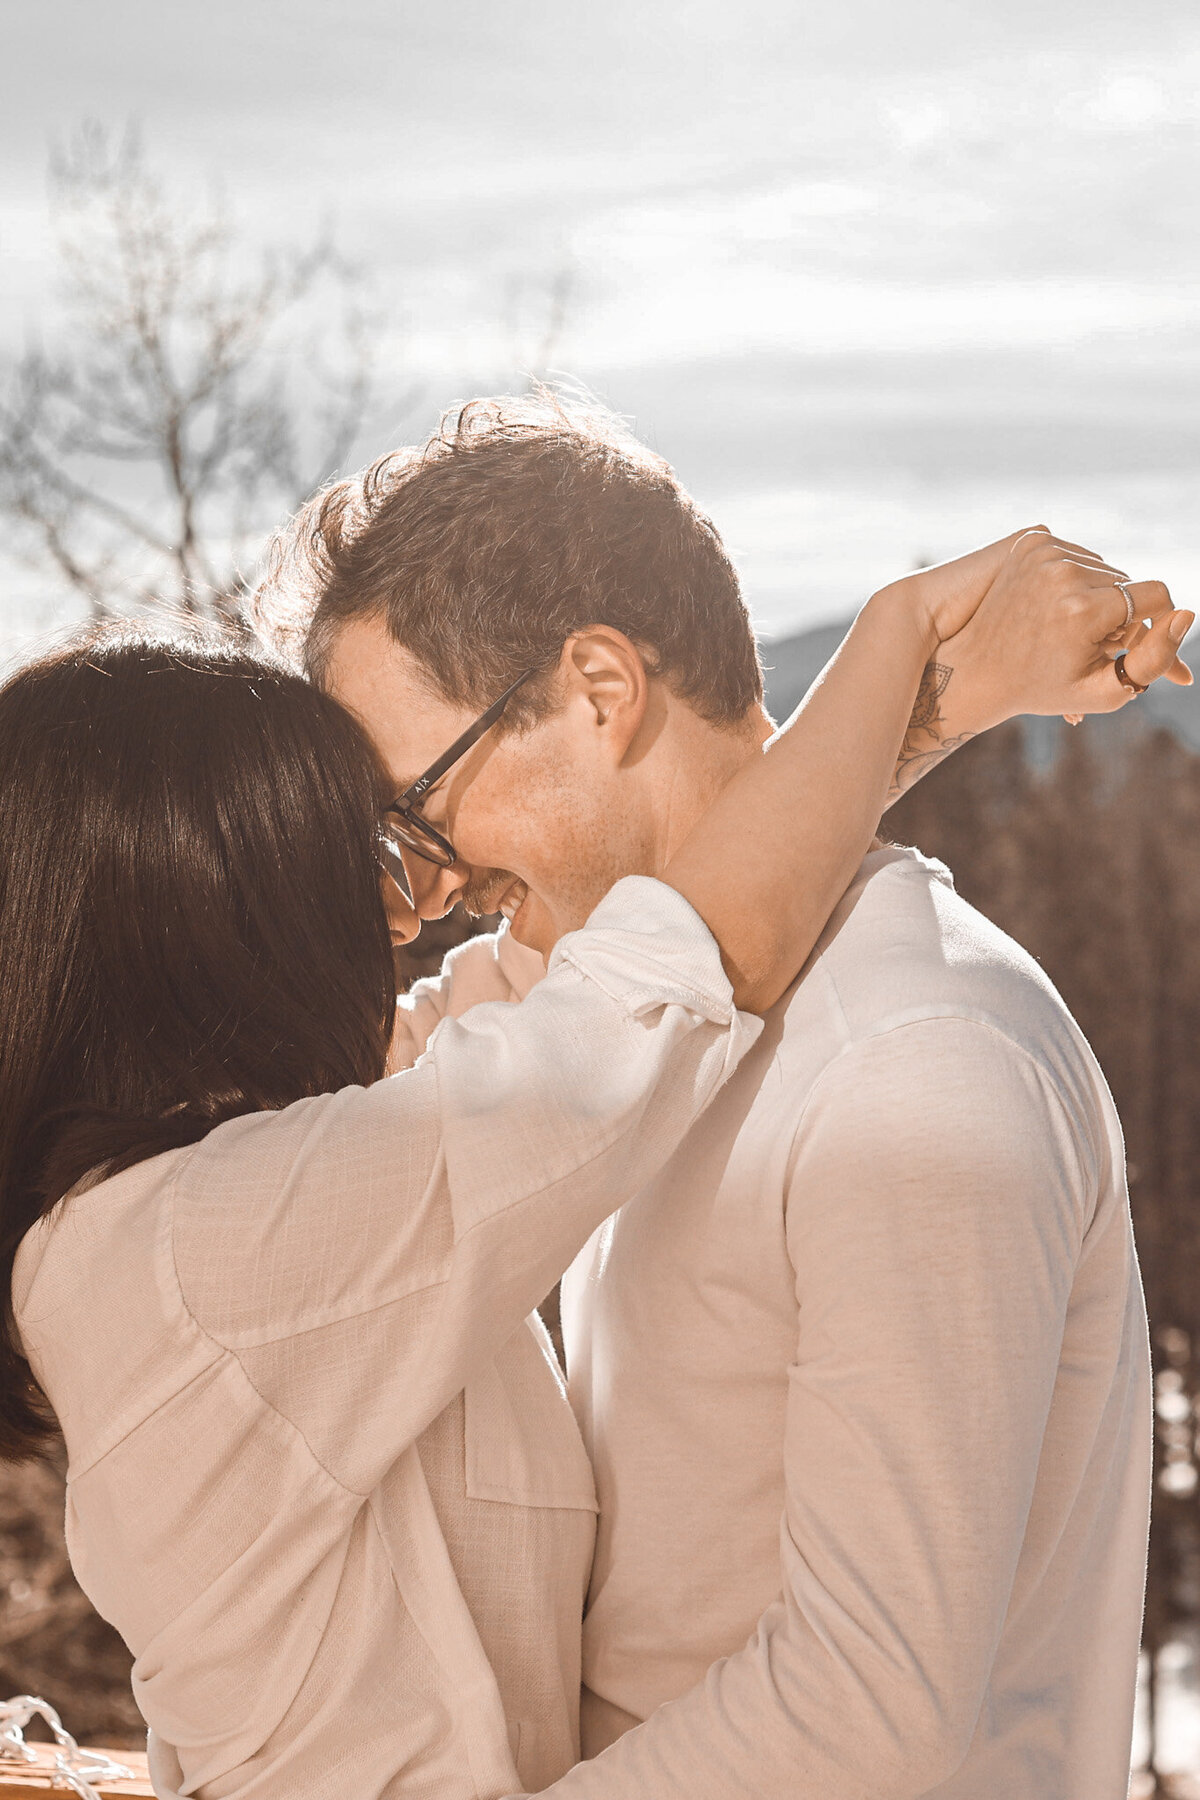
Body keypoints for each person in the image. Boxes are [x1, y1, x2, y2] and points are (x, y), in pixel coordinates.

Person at [0, 549, 1087, 1800]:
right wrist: (898, 641)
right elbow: (669, 978)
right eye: (356, 859)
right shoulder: (211, 1244)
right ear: (215, 909)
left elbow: (619, 950)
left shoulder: (221, 1178)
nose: (416, 908)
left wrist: (920, 724)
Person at [253, 390, 1193, 1799]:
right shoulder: (650, 1017)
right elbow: (346, 1094)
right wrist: (913, 694)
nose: (428, 893)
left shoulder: (914, 1063)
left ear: (599, 690)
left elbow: (864, 1710)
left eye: (419, 812)